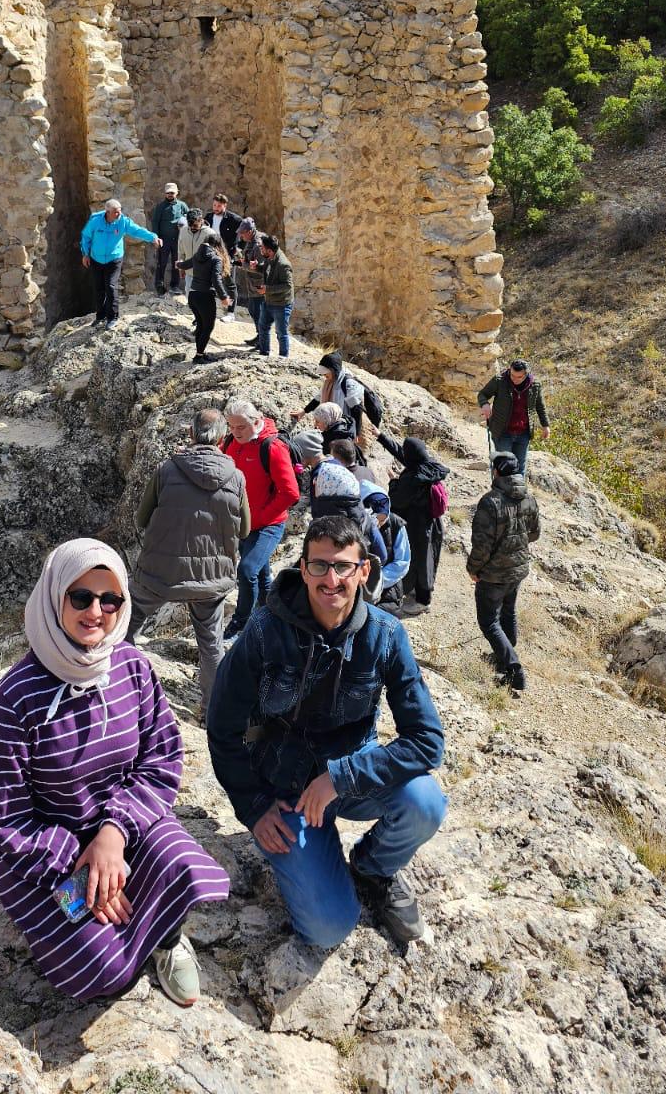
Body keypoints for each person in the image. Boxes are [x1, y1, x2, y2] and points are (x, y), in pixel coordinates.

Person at [0, 539, 229, 1006]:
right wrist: (85, 864)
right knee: (103, 971)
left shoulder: (132, 667)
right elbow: (6, 822)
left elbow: (162, 757)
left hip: (124, 828)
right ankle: (125, 917)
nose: (96, 611)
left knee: (185, 870)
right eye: (81, 597)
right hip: (51, 859)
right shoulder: (11, 703)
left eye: (110, 599)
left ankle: (165, 936)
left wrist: (113, 835)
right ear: (55, 598)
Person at [207, 514, 446, 950]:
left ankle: (373, 869)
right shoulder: (264, 631)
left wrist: (340, 777)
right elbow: (222, 727)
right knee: (327, 929)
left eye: (342, 566)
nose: (330, 579)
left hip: (353, 778)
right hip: (285, 787)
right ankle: (317, 857)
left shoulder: (387, 636)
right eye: (319, 566)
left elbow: (427, 741)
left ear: (364, 570)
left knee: (425, 802)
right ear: (303, 568)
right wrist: (254, 806)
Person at [127, 408, 249, 709]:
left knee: (125, 627)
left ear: (191, 435)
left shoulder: (167, 469)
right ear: (222, 438)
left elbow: (141, 518)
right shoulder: (236, 477)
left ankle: (122, 693)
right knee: (211, 644)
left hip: (160, 573)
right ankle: (213, 710)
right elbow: (245, 528)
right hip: (212, 578)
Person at [222, 397, 300, 637]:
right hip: (242, 524)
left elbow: (290, 492)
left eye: (241, 427)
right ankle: (272, 619)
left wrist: (261, 517)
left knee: (246, 571)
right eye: (231, 427)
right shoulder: (230, 443)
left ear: (256, 422)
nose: (235, 432)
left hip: (267, 525)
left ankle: (241, 623)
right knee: (261, 573)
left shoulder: (272, 447)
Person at [467, 453, 541, 697]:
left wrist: (473, 569)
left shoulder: (490, 502)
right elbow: (534, 534)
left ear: (496, 472)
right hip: (517, 570)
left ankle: (513, 667)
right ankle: (505, 655)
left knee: (489, 622)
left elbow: (482, 545)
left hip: (493, 574)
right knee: (507, 612)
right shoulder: (529, 498)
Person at [375, 431, 451, 617]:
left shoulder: (411, 480)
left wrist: (393, 481)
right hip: (432, 524)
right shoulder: (431, 467)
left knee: (421, 560)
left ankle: (422, 601)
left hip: (418, 526)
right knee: (429, 557)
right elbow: (404, 456)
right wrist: (381, 436)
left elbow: (397, 499)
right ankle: (419, 591)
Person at [80, 199, 161, 329]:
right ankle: (100, 316)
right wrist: (85, 254)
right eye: (115, 212)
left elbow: (137, 230)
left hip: (114, 259)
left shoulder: (123, 221)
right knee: (99, 288)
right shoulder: (95, 221)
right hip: (96, 259)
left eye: (120, 211)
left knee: (111, 287)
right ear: (107, 212)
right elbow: (86, 237)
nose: (119, 214)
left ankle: (113, 317)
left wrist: (153, 237)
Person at [308, 451, 388, 573]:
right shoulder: (366, 520)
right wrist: (359, 568)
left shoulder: (318, 527)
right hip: (357, 583)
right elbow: (381, 557)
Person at [478, 358, 550, 476]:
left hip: (523, 433)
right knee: (504, 466)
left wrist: (545, 425)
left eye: (519, 377)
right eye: (512, 375)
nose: (514, 379)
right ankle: (499, 492)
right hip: (502, 432)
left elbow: (540, 406)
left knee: (520, 466)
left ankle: (517, 493)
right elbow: (483, 394)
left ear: (526, 375)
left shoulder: (535, 385)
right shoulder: (499, 381)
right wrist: (485, 404)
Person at [178, 231, 229, 364]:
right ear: (218, 245)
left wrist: (178, 264)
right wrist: (224, 297)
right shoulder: (216, 259)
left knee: (200, 325)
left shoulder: (198, 255)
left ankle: (200, 352)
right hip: (205, 297)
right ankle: (199, 356)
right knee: (208, 327)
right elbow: (216, 280)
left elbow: (185, 264)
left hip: (193, 295)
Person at [293, 352, 366, 443]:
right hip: (331, 426)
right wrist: (304, 411)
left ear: (333, 370)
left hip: (344, 428)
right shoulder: (329, 382)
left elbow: (357, 410)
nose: (324, 376)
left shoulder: (348, 384)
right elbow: (318, 399)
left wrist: (356, 433)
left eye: (326, 373)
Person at [362, 489, 412, 614]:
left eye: (382, 519)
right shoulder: (358, 524)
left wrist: (377, 580)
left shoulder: (396, 524)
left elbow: (402, 561)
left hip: (388, 585)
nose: (379, 523)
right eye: (375, 519)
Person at [255, 234, 293, 359]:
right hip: (269, 301)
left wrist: (267, 289)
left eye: (262, 249)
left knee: (281, 333)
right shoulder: (269, 258)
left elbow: (287, 286)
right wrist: (256, 267)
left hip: (281, 304)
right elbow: (267, 270)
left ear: (270, 251)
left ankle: (283, 359)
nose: (261, 251)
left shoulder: (283, 264)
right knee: (263, 327)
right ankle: (264, 354)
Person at [207, 193, 242, 318]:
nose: (215, 208)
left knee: (229, 283)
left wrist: (239, 248)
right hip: (211, 253)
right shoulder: (209, 217)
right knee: (209, 282)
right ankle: (209, 310)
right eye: (214, 205)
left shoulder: (234, 219)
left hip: (227, 255)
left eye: (219, 206)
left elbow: (243, 234)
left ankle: (231, 313)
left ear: (225, 205)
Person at [151, 183, 189, 296]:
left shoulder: (182, 205)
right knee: (161, 263)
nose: (170, 195)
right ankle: (159, 286)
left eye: (172, 193)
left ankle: (174, 286)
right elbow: (155, 222)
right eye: (168, 193)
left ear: (177, 192)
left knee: (176, 263)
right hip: (164, 239)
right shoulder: (161, 206)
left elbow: (189, 216)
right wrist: (155, 237)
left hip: (178, 239)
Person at [231, 219, 263, 345]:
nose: (241, 235)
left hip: (259, 285)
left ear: (250, 231)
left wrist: (240, 263)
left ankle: (262, 339)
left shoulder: (258, 245)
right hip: (253, 283)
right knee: (253, 309)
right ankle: (260, 336)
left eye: (243, 233)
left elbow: (260, 268)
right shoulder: (251, 241)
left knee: (257, 311)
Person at [177, 208, 210, 302]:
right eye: (190, 224)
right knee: (191, 302)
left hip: (205, 276)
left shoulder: (210, 234)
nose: (192, 227)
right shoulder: (183, 231)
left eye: (195, 225)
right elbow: (181, 251)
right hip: (189, 274)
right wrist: (181, 268)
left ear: (201, 221)